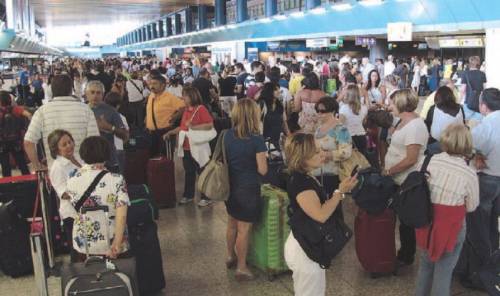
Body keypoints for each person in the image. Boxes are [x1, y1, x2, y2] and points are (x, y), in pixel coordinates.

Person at [284, 133, 358, 296]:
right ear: (303, 157)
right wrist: (340, 191)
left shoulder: (304, 177)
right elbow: (320, 215)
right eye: (316, 152)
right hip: (305, 249)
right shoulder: (301, 182)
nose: (322, 154)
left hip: (307, 243)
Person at [415, 124, 479, 296]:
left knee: (426, 265)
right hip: (451, 227)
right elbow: (472, 207)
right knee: (444, 269)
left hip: (426, 220)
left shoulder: (426, 161)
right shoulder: (469, 173)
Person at [458, 88, 500, 289]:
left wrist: (477, 156)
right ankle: (493, 265)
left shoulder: (485, 126)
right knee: (493, 225)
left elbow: (467, 148)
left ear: (484, 106)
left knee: (478, 226)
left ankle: (479, 273)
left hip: (487, 180)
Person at [65, 136, 129, 261]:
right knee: (118, 278)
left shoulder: (72, 179)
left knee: (88, 278)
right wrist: (116, 243)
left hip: (83, 244)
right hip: (112, 242)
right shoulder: (116, 179)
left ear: (83, 154)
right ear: (107, 154)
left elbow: (74, 208)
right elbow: (121, 215)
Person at [384, 89, 429, 266]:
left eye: (392, 103)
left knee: (406, 221)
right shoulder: (403, 121)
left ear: (402, 105)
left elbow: (411, 158)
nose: (390, 106)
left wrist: (389, 171)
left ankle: (406, 255)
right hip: (397, 178)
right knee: (401, 219)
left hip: (406, 180)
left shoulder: (416, 127)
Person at [224, 99, 268, 281]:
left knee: (232, 223)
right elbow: (263, 170)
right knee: (244, 229)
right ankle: (242, 267)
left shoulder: (226, 134)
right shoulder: (257, 139)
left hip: (230, 186)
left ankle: (230, 256)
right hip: (248, 188)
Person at [24, 74, 99, 170]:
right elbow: (95, 142)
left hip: (55, 171)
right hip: (83, 170)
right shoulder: (86, 110)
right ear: (71, 89)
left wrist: (37, 165)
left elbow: (28, 142)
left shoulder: (42, 111)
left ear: (51, 90)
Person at [164, 86, 214, 207]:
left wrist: (193, 127)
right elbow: (183, 127)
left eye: (184, 96)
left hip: (198, 147)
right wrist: (170, 132)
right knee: (189, 171)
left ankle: (206, 196)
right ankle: (188, 195)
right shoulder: (186, 110)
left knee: (202, 172)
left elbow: (209, 125)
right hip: (187, 147)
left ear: (192, 96)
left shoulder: (201, 109)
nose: (183, 98)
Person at [313, 96, 352, 211]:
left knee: (332, 208)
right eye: (318, 111)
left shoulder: (340, 129)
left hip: (332, 175)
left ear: (333, 111)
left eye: (323, 111)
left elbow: (346, 152)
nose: (319, 114)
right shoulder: (319, 128)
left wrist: (329, 155)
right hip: (317, 174)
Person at [48, 130, 82, 248]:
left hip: (84, 212)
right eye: (64, 144)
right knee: (77, 251)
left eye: (70, 141)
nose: (69, 145)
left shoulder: (78, 158)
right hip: (72, 215)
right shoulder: (57, 167)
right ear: (56, 149)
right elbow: (63, 194)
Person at [86, 81, 129, 173]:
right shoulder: (82, 110)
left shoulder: (111, 111)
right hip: (87, 162)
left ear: (103, 94)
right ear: (86, 94)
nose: (95, 96)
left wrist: (109, 127)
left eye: (98, 93)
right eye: (92, 92)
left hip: (109, 161)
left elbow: (125, 136)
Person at [146, 74, 185, 157]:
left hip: (164, 132)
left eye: (155, 84)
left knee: (165, 158)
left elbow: (183, 107)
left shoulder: (170, 97)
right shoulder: (151, 95)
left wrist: (175, 117)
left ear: (163, 85)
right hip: (151, 133)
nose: (152, 86)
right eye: (151, 83)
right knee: (153, 157)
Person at [424, 86, 465, 154]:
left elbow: (427, 127)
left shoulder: (433, 109)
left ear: (437, 97)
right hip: (456, 144)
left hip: (437, 144)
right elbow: (462, 125)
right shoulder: (460, 108)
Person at [0, 91, 31, 176]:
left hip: (2, 143)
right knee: (22, 165)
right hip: (16, 142)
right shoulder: (15, 109)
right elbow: (28, 115)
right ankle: (28, 182)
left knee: (5, 166)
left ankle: (7, 185)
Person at [104, 92, 130, 174]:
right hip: (118, 150)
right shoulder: (121, 117)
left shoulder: (100, 117)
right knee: (119, 177)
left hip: (104, 151)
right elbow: (126, 136)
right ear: (118, 105)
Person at [339, 85, 368, 154]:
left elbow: (340, 126)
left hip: (348, 137)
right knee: (361, 160)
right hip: (362, 137)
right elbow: (364, 122)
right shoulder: (364, 108)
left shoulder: (343, 108)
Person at [258, 82, 288, 148]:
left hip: (278, 139)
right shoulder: (262, 104)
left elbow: (284, 121)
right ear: (269, 91)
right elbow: (257, 122)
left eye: (278, 89)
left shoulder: (280, 104)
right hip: (265, 139)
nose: (279, 91)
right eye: (275, 90)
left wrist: (289, 135)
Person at [460, 56, 487, 121]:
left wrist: (460, 100)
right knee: (478, 123)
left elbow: (463, 89)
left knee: (467, 123)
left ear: (469, 63)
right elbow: (484, 89)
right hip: (479, 103)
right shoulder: (482, 74)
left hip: (468, 102)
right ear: (478, 64)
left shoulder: (465, 74)